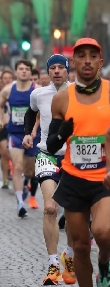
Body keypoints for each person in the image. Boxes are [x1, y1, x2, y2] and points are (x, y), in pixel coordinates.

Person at [47, 38, 110, 287]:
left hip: (104, 178)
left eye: (92, 56)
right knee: (81, 247)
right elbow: (51, 144)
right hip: (73, 179)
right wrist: (63, 132)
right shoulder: (62, 99)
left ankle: (105, 263)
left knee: (104, 232)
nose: (87, 60)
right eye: (81, 56)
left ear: (100, 62)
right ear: (73, 62)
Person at [23, 54, 76, 285]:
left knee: (74, 213)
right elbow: (30, 112)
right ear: (47, 71)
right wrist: (28, 133)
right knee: (51, 208)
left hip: (74, 157)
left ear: (67, 70)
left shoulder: (78, 92)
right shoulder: (39, 94)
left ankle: (70, 258)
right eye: (52, 68)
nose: (56, 71)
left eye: (60, 68)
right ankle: (53, 263)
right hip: (47, 154)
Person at [0, 60, 39, 218]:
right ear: (16, 72)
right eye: (21, 69)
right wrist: (1, 119)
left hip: (33, 135)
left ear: (30, 72)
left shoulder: (36, 90)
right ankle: (20, 203)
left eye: (27, 69)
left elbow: (40, 115)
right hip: (15, 133)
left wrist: (34, 131)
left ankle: (26, 186)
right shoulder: (8, 89)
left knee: (30, 171)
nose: (24, 71)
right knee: (18, 166)